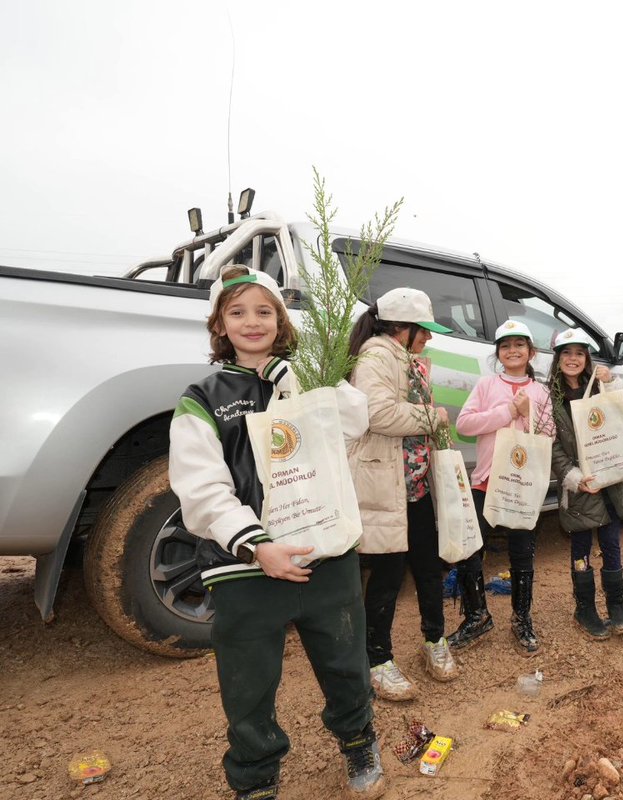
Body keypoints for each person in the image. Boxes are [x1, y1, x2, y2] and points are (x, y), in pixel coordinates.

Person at [168, 266, 382, 800]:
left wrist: (308, 385)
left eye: (265, 310)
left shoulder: (306, 375)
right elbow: (201, 487)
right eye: (237, 312)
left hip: (324, 553)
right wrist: (258, 545)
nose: (252, 321)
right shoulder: (203, 397)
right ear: (219, 324)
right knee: (248, 682)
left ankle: (358, 741)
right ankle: (256, 775)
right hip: (246, 567)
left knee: (345, 661)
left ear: (282, 320)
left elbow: (355, 422)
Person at [346, 288, 458, 702]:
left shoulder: (404, 360)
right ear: (401, 328)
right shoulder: (376, 356)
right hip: (387, 488)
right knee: (387, 577)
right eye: (423, 331)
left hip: (415, 485)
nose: (428, 338)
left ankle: (434, 641)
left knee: (429, 568)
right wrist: (435, 416)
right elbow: (377, 415)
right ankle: (378, 660)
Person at [449, 320, 555, 655]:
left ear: (531, 352)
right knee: (470, 549)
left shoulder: (541, 392)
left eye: (519, 345)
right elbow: (465, 424)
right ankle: (477, 615)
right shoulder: (485, 385)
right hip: (485, 480)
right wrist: (508, 410)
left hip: (521, 486)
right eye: (505, 346)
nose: (512, 351)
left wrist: (527, 414)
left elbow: (548, 436)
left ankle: (522, 617)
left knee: (522, 553)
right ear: (498, 353)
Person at [547, 328, 623, 640]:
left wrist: (611, 383)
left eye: (578, 353)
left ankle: (616, 605)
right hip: (581, 486)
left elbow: (619, 420)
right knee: (581, 546)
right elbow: (554, 448)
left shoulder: (600, 388)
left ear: (586, 357)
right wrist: (574, 479)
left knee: (612, 543)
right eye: (566, 353)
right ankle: (584, 608)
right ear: (558, 359)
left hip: (610, 483)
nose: (572, 359)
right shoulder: (550, 398)